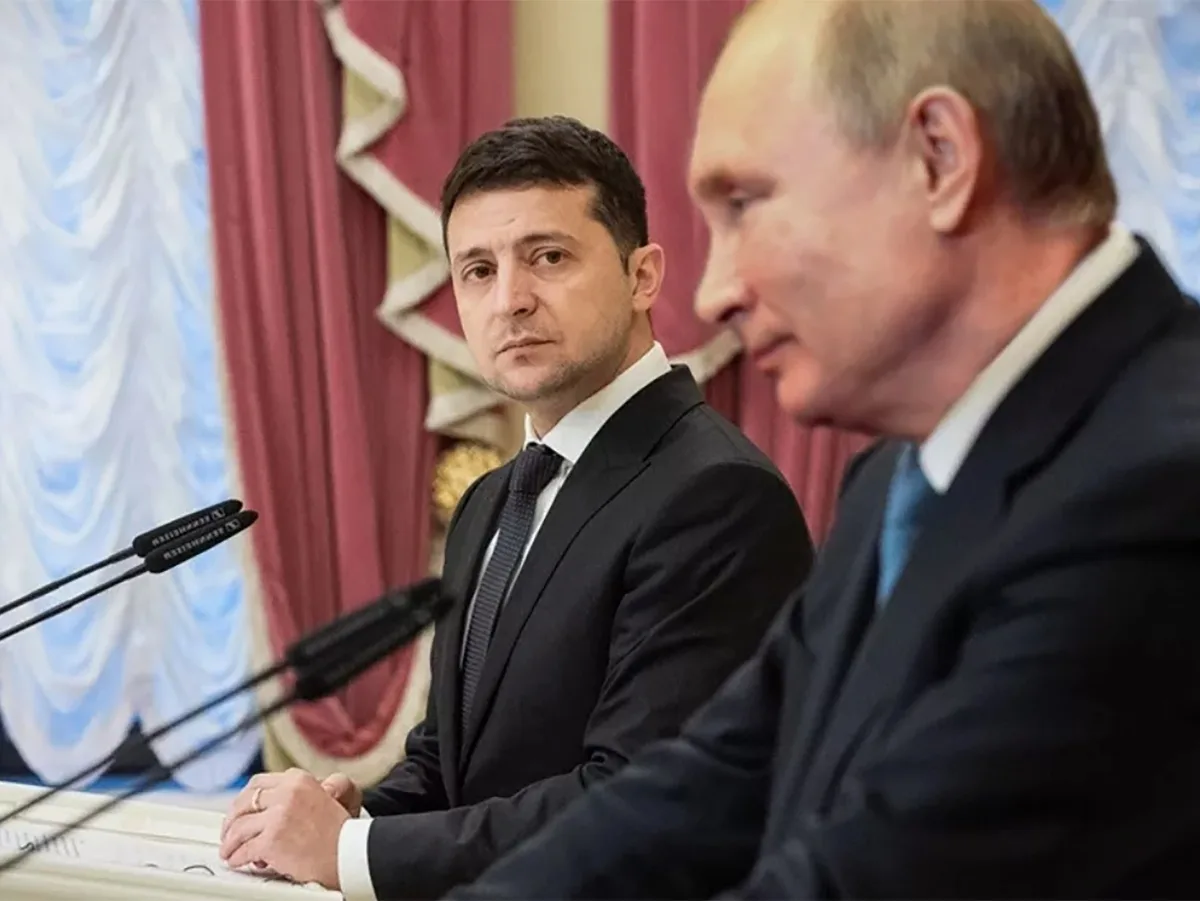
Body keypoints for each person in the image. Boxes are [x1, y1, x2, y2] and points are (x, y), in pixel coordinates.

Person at [443, 1, 1200, 898]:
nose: (715, 291)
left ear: (940, 159)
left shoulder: (1161, 483)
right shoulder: (895, 478)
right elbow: (720, 775)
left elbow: (871, 873)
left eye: (746, 204)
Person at [216, 115, 814, 898]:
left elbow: (641, 803)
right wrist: (349, 816)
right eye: (477, 270)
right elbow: (449, 761)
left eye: (548, 257)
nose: (510, 300)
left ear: (643, 276)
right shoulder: (491, 499)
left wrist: (355, 853)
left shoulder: (716, 495)